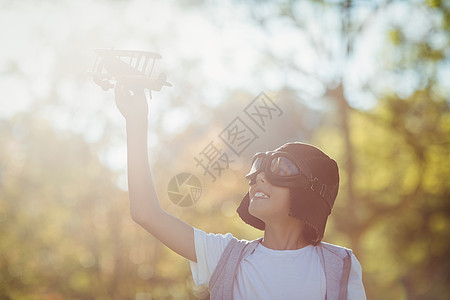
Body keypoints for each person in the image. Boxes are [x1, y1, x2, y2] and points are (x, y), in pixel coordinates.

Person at [114, 85, 367, 300]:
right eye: (258, 169)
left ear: (311, 192)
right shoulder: (226, 256)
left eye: (281, 168)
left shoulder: (340, 265)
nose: (259, 177)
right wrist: (136, 123)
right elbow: (145, 213)